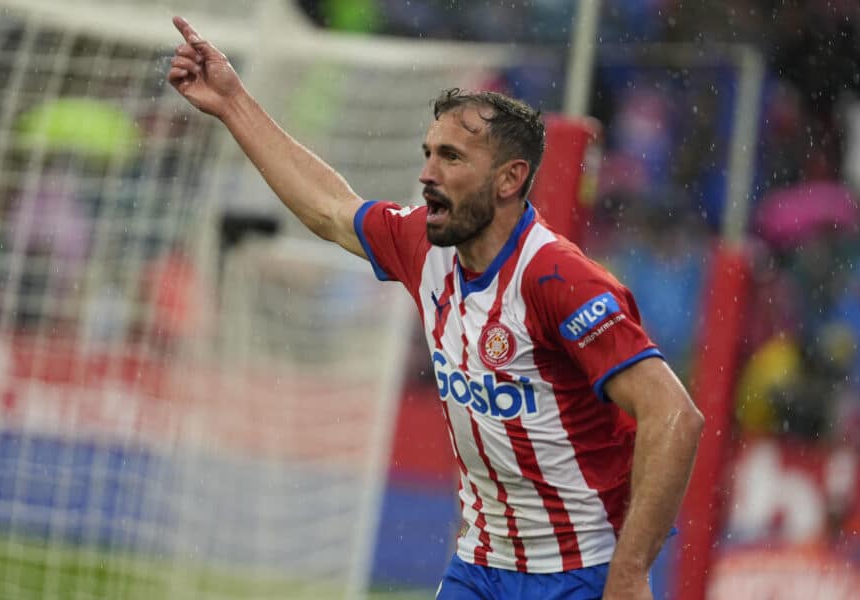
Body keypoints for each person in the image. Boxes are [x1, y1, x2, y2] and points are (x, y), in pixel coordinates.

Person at [168, 16, 703, 599]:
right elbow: (328, 207)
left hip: (580, 575)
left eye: (450, 157)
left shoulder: (559, 279)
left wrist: (627, 576)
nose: (426, 174)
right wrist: (231, 101)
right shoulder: (423, 244)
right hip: (479, 567)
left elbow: (675, 416)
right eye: (428, 153)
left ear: (509, 179)